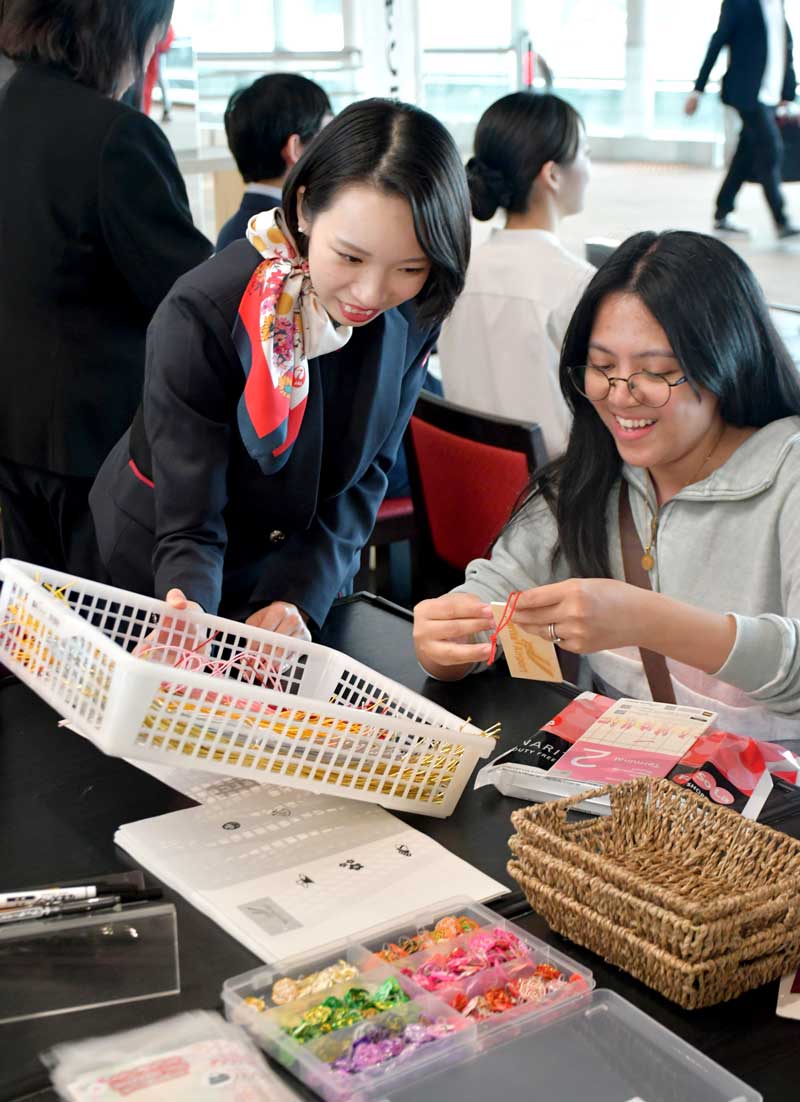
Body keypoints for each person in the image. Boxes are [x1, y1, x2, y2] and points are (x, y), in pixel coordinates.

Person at [90, 98, 471, 638]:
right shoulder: (204, 311)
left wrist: (297, 596)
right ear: (305, 208)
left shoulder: (416, 310)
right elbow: (190, 517)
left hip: (299, 568)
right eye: (350, 257)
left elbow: (366, 476)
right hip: (165, 562)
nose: (370, 294)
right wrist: (189, 611)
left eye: (409, 267)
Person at [414, 230, 800, 741]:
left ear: (727, 362)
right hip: (628, 783)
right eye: (602, 367)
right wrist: (447, 645)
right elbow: (498, 589)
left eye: (655, 372)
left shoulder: (788, 475)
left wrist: (647, 620)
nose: (619, 395)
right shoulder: (588, 476)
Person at [0, 0, 212, 575]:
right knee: (109, 618)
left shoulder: (11, 105)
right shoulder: (115, 134)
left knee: (35, 615)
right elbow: (191, 296)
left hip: (15, 432)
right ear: (128, 31)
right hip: (96, 444)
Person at [438, 92, 593, 459]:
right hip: (559, 486)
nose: (590, 169)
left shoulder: (458, 274)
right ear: (552, 175)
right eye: (585, 153)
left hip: (469, 481)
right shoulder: (577, 286)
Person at [685, 0, 800, 238]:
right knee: (771, 149)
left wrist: (788, 93)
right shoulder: (738, 3)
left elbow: (784, 50)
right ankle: (781, 220)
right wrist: (698, 89)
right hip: (747, 96)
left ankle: (722, 212)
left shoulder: (778, 6)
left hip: (770, 97)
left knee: (745, 156)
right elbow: (717, 42)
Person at [216, 73, 332, 253]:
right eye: (327, 135)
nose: (334, 148)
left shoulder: (232, 230)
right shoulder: (290, 236)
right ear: (295, 149)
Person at [143, 22, 174, 122]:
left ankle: (166, 109)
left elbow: (169, 36)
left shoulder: (163, 22)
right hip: (154, 52)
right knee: (151, 83)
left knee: (159, 80)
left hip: (157, 54)